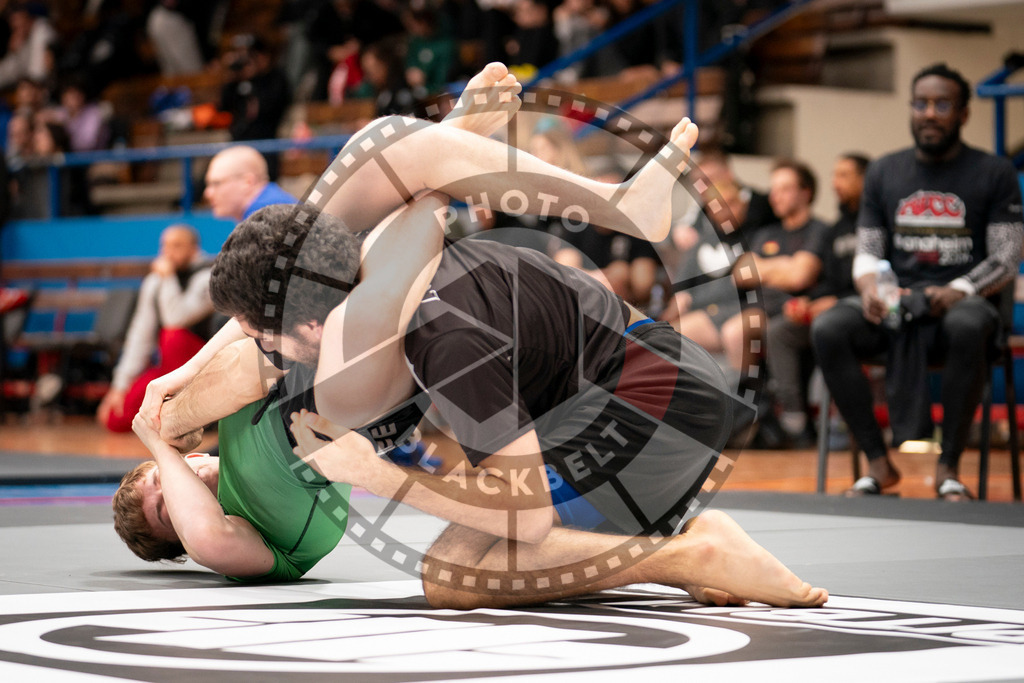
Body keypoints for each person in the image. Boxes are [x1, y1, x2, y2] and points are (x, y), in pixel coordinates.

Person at [143, 64, 826, 610]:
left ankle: (692, 553)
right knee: (382, 158)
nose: (266, 351)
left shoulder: (441, 340)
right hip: (635, 377)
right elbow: (391, 183)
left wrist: (381, 476)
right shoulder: (376, 250)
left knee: (453, 575)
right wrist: (463, 148)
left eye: (269, 338)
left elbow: (523, 520)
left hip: (655, 417)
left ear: (314, 324)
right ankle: (603, 196)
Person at [811, 63, 1024, 500]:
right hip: (897, 307)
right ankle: (877, 463)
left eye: (942, 104)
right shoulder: (884, 172)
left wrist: (960, 289)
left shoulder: (995, 173)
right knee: (829, 327)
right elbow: (868, 249)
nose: (929, 113)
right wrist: (870, 288)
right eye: (921, 103)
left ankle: (948, 468)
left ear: (963, 114)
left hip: (962, 308)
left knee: (967, 323)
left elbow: (1007, 256)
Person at [114, 357, 428, 580]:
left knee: (245, 332)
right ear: (181, 531)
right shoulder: (246, 543)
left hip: (308, 348)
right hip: (351, 412)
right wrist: (159, 444)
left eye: (161, 479)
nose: (171, 488)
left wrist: (185, 381)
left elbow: (247, 326)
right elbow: (206, 536)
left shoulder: (225, 417)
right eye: (165, 509)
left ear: (191, 457)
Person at [767, 153, 868, 447]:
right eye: (834, 175)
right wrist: (811, 301)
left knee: (829, 328)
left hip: (864, 309)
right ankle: (795, 421)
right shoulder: (837, 230)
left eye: (844, 175)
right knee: (781, 329)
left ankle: (840, 423)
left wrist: (833, 300)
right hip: (831, 308)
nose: (835, 182)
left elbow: (877, 279)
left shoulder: (873, 224)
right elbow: (829, 280)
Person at [96, 225, 215, 432]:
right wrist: (119, 387)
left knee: (173, 337)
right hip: (169, 369)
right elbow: (140, 335)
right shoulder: (154, 282)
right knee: (116, 418)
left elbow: (176, 318)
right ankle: (171, 412)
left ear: (194, 249)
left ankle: (196, 413)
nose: (168, 253)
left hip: (204, 367)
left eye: (177, 246)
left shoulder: (209, 277)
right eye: (165, 246)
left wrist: (167, 278)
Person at [203, 145, 297, 222]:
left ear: (248, 182)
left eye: (216, 183)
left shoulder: (266, 218)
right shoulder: (274, 207)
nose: (208, 193)